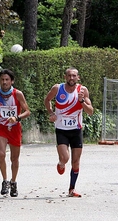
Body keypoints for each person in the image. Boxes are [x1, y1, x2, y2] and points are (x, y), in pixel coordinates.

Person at [44, 67, 94, 197]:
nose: (71, 78)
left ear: (78, 77)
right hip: (61, 129)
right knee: (65, 158)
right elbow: (47, 100)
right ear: (65, 77)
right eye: (69, 76)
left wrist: (82, 101)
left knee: (76, 162)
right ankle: (61, 163)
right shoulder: (57, 88)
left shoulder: (83, 90)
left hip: (76, 130)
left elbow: (90, 111)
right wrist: (51, 113)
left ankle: (71, 189)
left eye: (74, 76)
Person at [0, 69, 31, 197]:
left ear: (12, 81)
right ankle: (5, 180)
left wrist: (17, 118)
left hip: (15, 127)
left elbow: (27, 111)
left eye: (7, 80)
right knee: (1, 154)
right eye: (2, 80)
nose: (4, 82)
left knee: (14, 158)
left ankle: (13, 182)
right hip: (1, 127)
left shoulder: (18, 94)